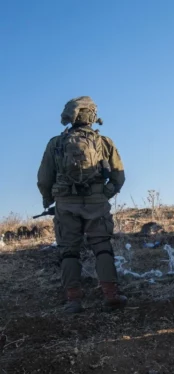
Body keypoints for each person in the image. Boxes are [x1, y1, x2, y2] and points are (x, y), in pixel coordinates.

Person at [37, 96, 127, 313]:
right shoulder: (105, 142)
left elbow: (44, 179)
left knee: (69, 251)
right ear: (91, 116)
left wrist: (50, 200)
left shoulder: (55, 143)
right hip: (96, 202)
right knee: (102, 248)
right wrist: (105, 193)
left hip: (66, 203)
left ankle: (73, 300)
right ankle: (111, 294)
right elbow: (119, 176)